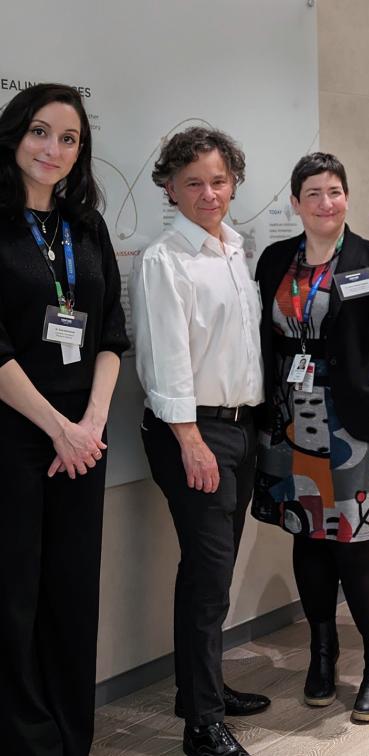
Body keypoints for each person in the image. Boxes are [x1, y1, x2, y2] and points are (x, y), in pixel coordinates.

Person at [254, 152, 369, 722]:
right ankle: (322, 652)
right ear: (295, 203)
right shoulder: (275, 260)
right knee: (307, 536)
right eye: (315, 193)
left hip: (356, 429)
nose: (328, 203)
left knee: (355, 542)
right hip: (290, 423)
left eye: (336, 191)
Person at [130, 127, 268, 756]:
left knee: (214, 571)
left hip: (241, 427)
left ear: (233, 182)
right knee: (209, 577)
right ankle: (202, 727)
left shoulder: (235, 250)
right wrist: (190, 439)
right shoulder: (165, 259)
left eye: (218, 180)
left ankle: (199, 692)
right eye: (194, 183)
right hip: (196, 432)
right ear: (170, 188)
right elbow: (166, 362)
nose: (209, 193)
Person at [0, 83, 128, 755]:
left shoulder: (85, 226)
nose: (54, 149)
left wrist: (90, 424)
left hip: (84, 437)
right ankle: (26, 741)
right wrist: (58, 427)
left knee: (72, 592)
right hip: (17, 436)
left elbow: (111, 332)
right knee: (14, 596)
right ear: (16, 135)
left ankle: (71, 736)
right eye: (41, 133)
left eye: (70, 138)